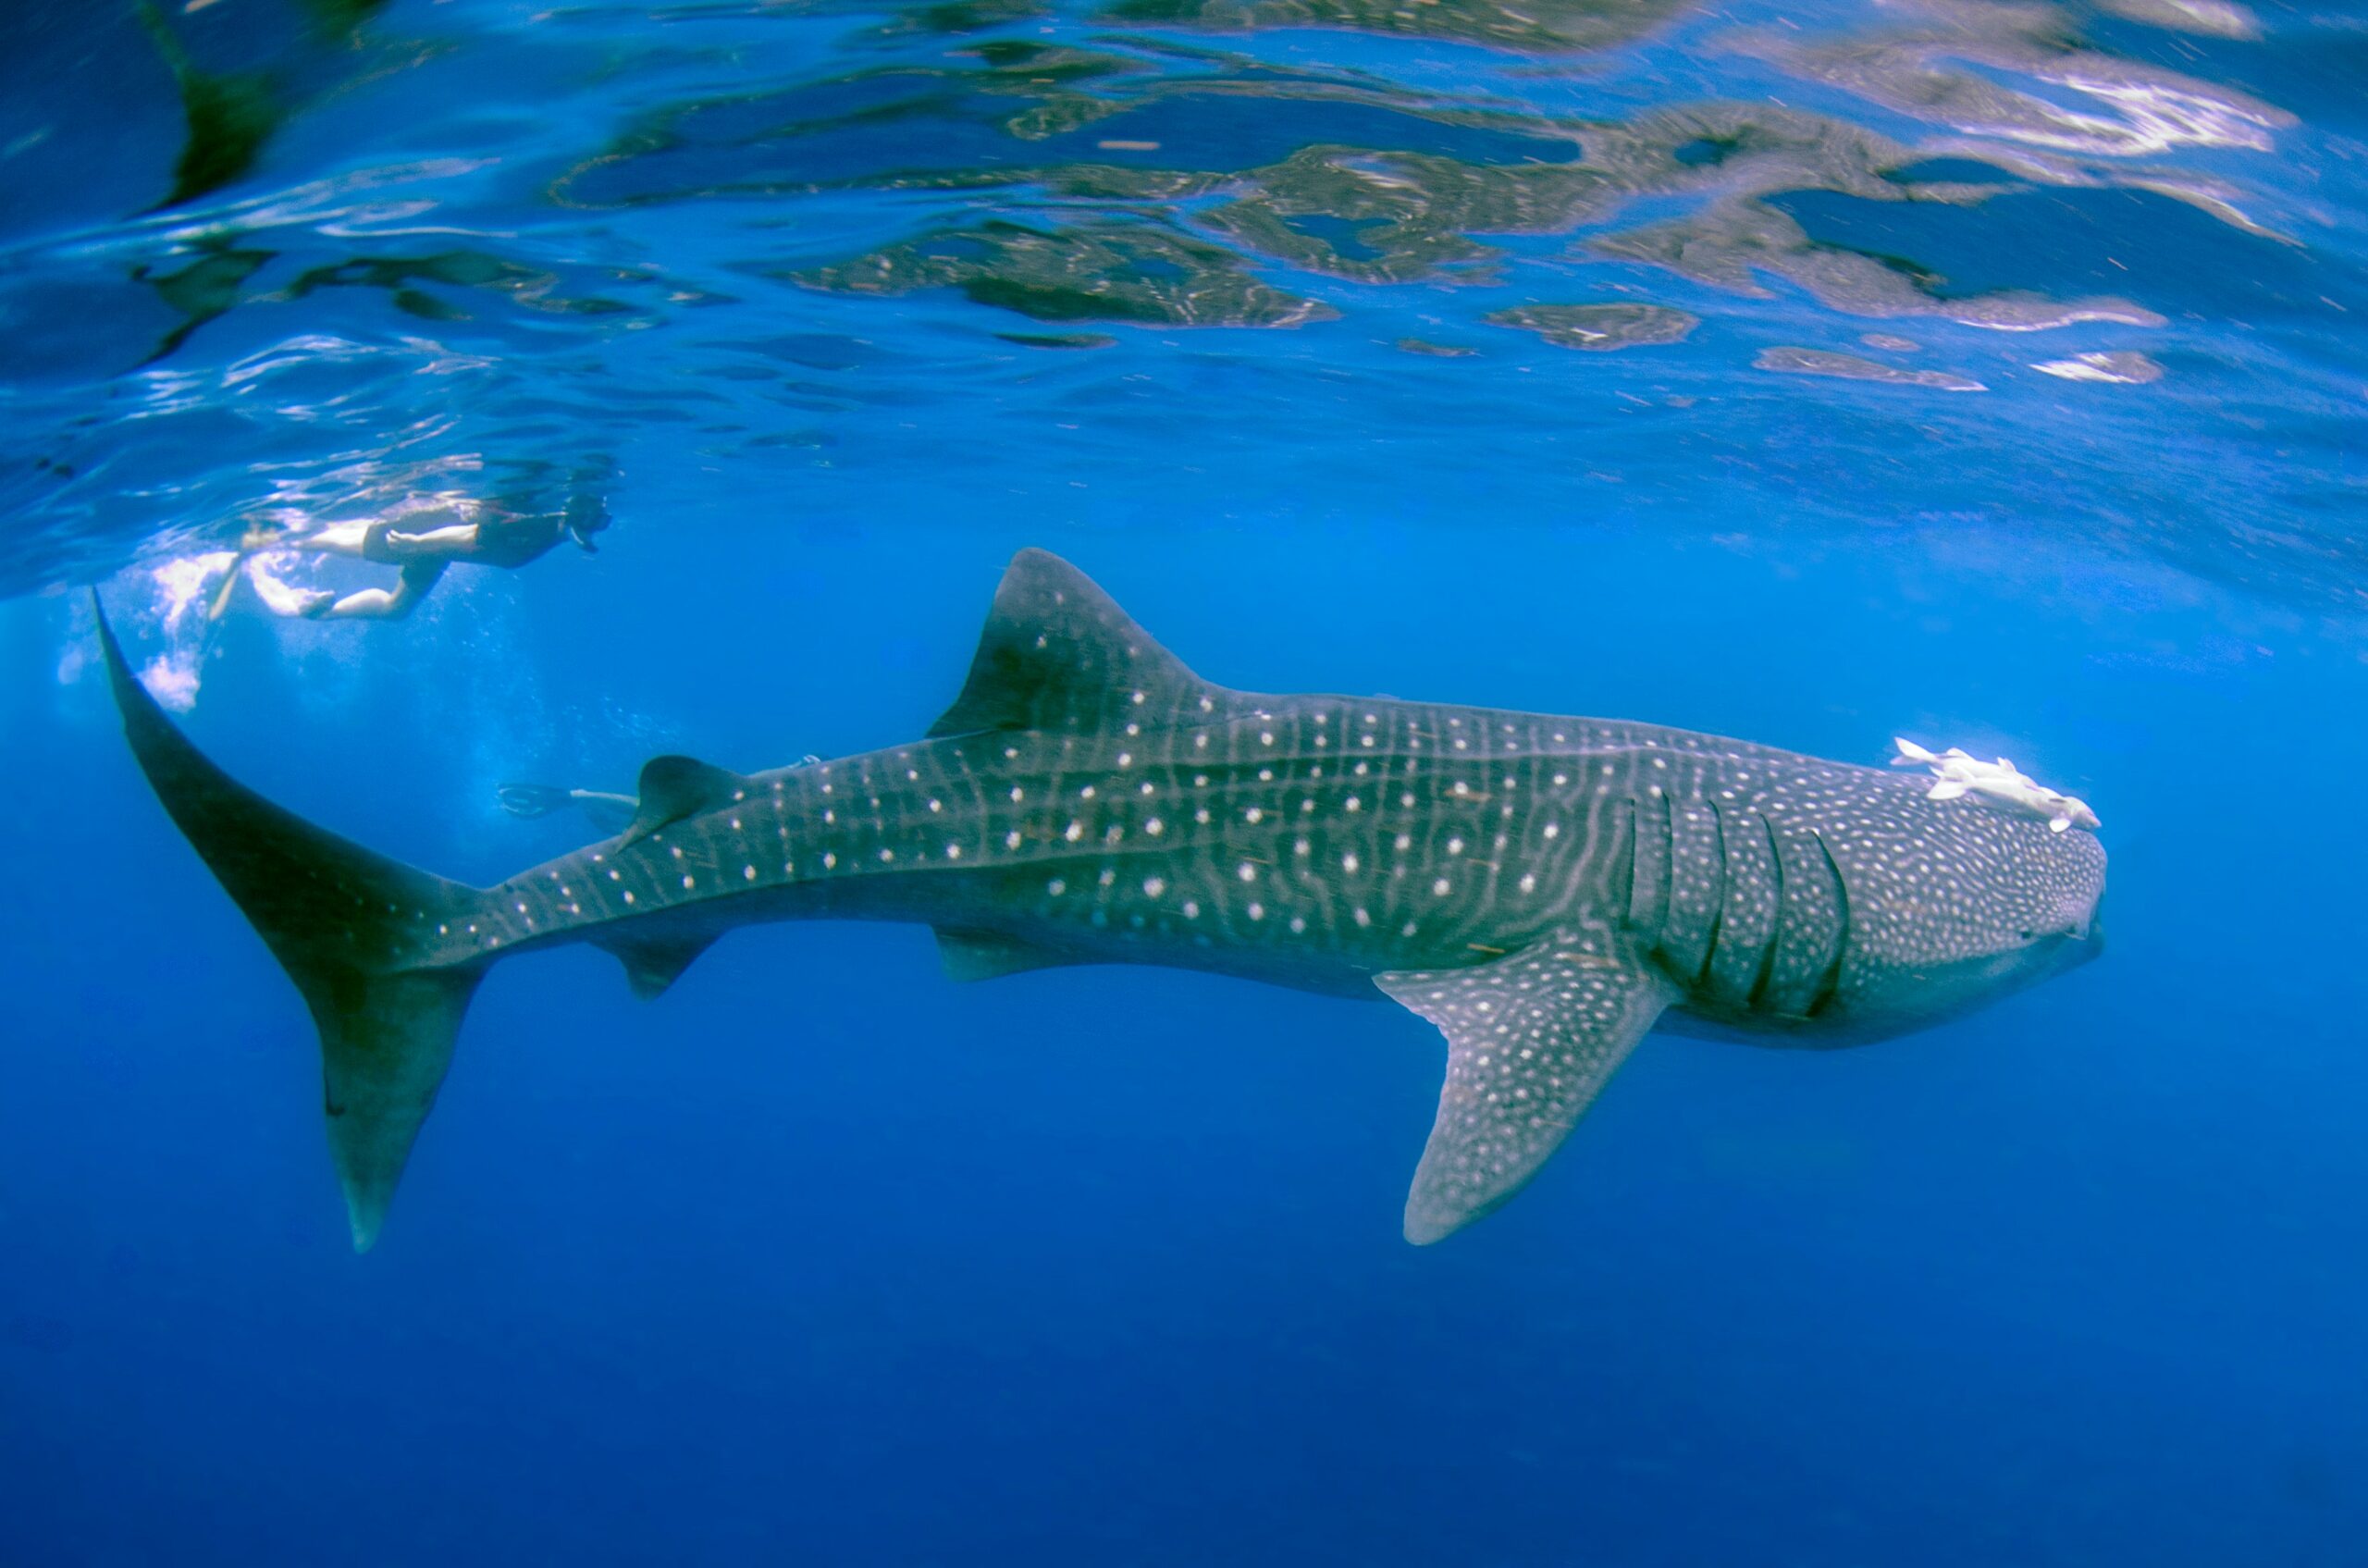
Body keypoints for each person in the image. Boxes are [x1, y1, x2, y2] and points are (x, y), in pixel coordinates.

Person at [216, 480, 610, 623]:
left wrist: (425, 548)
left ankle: (323, 611)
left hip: (436, 548)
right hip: (430, 535)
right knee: (335, 541)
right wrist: (417, 544)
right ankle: (266, 537)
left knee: (396, 610)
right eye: (594, 519)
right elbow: (471, 533)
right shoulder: (538, 524)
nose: (596, 526)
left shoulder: (545, 529)